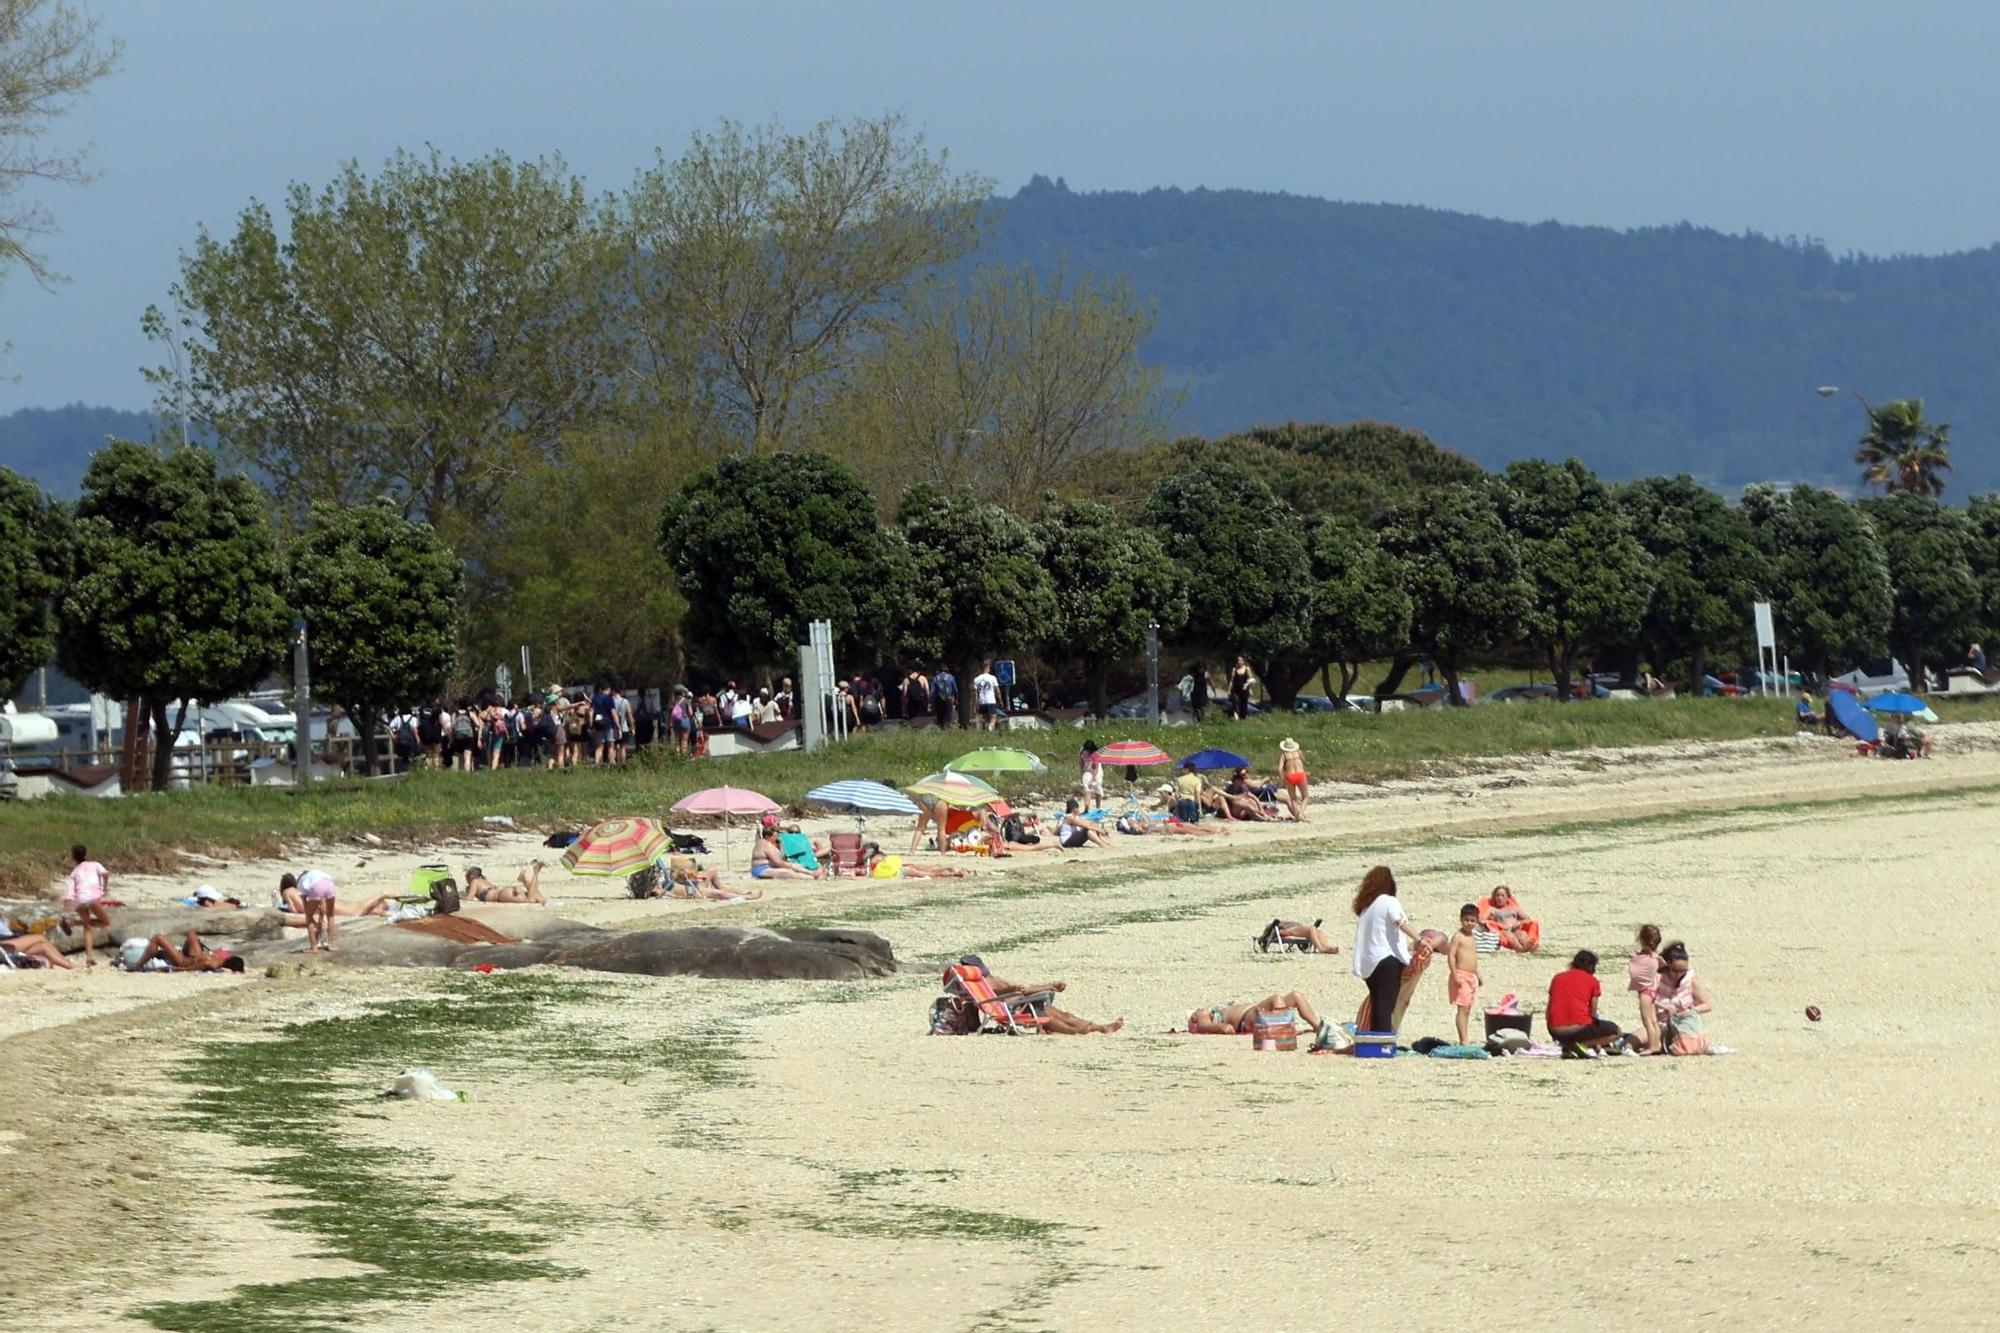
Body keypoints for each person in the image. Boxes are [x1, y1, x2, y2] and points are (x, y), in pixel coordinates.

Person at [959, 954, 1122, 1034]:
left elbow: (1022, 990)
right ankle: (1092, 1030)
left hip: (1023, 1003)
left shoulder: (993, 979)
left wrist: (1049, 986)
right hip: (1016, 1009)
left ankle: (1101, 1028)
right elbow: (992, 997)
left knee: (1065, 1015)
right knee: (1060, 1022)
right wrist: (1010, 990)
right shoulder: (982, 984)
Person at [1352, 865, 1425, 1034]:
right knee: (1386, 1005)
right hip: (1387, 960)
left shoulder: (1366, 909)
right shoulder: (1388, 901)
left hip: (1369, 963)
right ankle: (1383, 1041)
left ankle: (1376, 1040)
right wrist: (1419, 939)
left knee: (1378, 1003)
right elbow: (1399, 921)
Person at [1187, 991, 1342, 1048]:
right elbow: (1226, 1029)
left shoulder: (1210, 1013)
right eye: (1198, 1011)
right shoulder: (1201, 1021)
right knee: (1275, 998)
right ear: (1195, 1018)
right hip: (1246, 1018)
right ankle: (1282, 1030)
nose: (1200, 1008)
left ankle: (1318, 1027)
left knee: (1295, 996)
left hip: (1253, 1013)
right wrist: (1207, 1022)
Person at [1546, 950, 1622, 1057]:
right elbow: (1593, 1012)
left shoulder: (1557, 978)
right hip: (1579, 1029)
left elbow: (1549, 1007)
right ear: (1590, 966)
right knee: (1616, 1031)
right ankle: (1577, 1044)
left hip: (1555, 1030)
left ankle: (1570, 1046)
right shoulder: (1592, 981)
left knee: (1580, 1027)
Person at [1654, 941, 1714, 1055]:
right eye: (1675, 970)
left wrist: (1690, 1011)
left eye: (1683, 971)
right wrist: (1663, 1006)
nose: (1679, 974)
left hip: (1684, 1022)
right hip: (1662, 1023)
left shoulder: (1690, 979)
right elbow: (1647, 1001)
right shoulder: (1658, 979)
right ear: (1668, 965)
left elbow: (1707, 1005)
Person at [62, 843, 111, 967]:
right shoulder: (95, 864)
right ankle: (74, 923)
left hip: (81, 901)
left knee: (87, 926)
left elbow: (69, 894)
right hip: (93, 898)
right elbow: (105, 874)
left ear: (73, 857)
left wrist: (65, 912)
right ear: (85, 854)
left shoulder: (74, 872)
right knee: (106, 922)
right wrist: (104, 887)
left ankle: (89, 958)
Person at [1447, 904, 1483, 1045]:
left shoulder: (1473, 937)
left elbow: (1473, 959)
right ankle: (1463, 1039)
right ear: (1461, 920)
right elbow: (1451, 956)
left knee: (1467, 1008)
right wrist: (1454, 974)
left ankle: (1465, 1037)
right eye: (1467, 920)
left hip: (1471, 976)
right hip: (1461, 975)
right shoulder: (1458, 936)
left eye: (1472, 921)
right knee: (1462, 1008)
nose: (1469, 923)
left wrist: (1478, 974)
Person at [132, 930, 246, 974]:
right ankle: (182, 948)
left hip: (182, 961)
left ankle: (138, 965)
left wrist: (170, 969)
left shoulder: (211, 963)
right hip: (195, 956)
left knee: (158, 938)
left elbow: (187, 969)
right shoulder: (219, 960)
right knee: (191, 934)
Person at [1629, 924, 1664, 1056]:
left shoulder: (1643, 958)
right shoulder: (1656, 958)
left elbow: (1635, 968)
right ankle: (1657, 1043)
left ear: (1642, 940)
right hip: (1654, 990)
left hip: (1645, 992)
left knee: (1647, 1020)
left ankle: (1652, 1045)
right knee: (1654, 1019)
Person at [751, 817, 825, 880]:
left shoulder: (773, 843)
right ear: (768, 836)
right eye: (775, 835)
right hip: (761, 869)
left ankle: (812, 874)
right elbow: (779, 862)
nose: (776, 837)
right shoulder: (764, 844)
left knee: (795, 867)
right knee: (789, 872)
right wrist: (791, 866)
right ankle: (812, 875)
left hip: (772, 867)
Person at [1478, 885, 1542, 952]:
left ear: (1507, 897)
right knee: (1510, 936)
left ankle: (1528, 946)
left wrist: (1518, 923)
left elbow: (1527, 919)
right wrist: (1495, 923)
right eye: (1497, 896)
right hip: (1504, 930)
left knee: (1522, 935)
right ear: (1494, 898)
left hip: (1516, 928)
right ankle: (1520, 949)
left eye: (1503, 895)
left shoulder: (1514, 909)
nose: (1500, 898)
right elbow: (1481, 919)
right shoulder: (1492, 910)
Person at [862, 841, 969, 879]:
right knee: (928, 871)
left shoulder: (872, 860)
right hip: (901, 868)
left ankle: (953, 873)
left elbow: (865, 872)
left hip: (898, 872)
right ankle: (952, 870)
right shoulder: (879, 856)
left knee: (931, 873)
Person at [291, 868, 339, 952]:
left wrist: (312, 920)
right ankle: (332, 945)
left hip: (316, 886)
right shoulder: (314, 874)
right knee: (330, 915)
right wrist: (321, 914)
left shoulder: (301, 882)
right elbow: (322, 904)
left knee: (308, 917)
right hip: (329, 884)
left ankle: (313, 947)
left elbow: (305, 906)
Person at [465, 863, 547, 905]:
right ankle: (524, 881)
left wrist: (464, 896)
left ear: (471, 877)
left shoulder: (474, 882)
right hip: (507, 890)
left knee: (531, 900)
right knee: (541, 899)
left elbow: (469, 899)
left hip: (503, 895)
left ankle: (536, 872)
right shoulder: (485, 881)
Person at [1254, 918, 1340, 953]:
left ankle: (1326, 947)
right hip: (1287, 930)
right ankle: (1321, 948)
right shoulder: (1275, 926)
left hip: (1294, 928)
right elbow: (1269, 933)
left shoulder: (1285, 923)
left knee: (1318, 931)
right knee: (1311, 929)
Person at [1277, 738, 1309, 821]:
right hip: (1300, 774)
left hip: (1290, 776)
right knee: (1305, 796)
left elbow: (1279, 768)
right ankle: (1301, 814)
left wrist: (1282, 778)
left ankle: (1297, 816)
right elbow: (1304, 760)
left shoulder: (1284, 755)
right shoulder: (1298, 752)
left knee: (1293, 798)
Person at [972, 661, 1002, 731]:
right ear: (987, 668)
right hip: (991, 700)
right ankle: (990, 727)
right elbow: (997, 690)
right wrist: (1000, 700)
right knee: (993, 716)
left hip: (982, 701)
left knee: (986, 718)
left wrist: (975, 705)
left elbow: (975, 694)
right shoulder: (992, 678)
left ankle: (988, 730)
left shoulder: (976, 679)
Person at [1078, 739, 1105, 811]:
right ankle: (1087, 806)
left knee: (1097, 787)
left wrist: (1092, 778)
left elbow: (1096, 768)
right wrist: (1082, 772)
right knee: (1086, 788)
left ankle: (1098, 806)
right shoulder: (1083, 752)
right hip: (1087, 770)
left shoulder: (1096, 754)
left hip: (1097, 772)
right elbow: (1081, 762)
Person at [931, 664, 960, 729]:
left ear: (939, 670)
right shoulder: (951, 677)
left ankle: (941, 729)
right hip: (948, 699)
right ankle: (946, 728)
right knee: (947, 716)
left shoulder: (935, 678)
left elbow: (932, 692)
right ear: (947, 670)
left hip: (938, 699)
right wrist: (956, 699)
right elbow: (955, 690)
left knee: (940, 716)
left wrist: (932, 703)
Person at [1228, 655, 1255, 720]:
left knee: (1243, 705)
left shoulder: (1247, 669)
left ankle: (1242, 718)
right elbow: (1232, 680)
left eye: (1240, 660)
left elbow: (1251, 679)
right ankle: (1236, 719)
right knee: (1236, 703)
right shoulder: (1234, 669)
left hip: (1244, 691)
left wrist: (1246, 684)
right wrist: (1229, 689)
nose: (1239, 662)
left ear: (1243, 661)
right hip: (1235, 690)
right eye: (1238, 660)